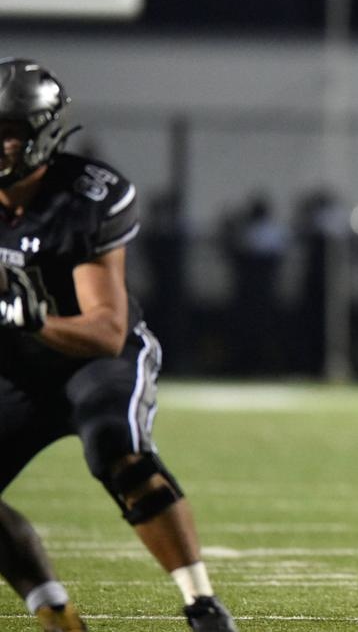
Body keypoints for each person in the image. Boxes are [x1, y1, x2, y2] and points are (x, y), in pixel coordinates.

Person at [0, 58, 238, 631]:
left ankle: (202, 606)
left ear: (41, 134)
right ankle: (52, 608)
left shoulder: (84, 197)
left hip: (94, 356)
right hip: (16, 363)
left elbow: (105, 329)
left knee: (116, 448)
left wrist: (31, 322)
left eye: (6, 131)